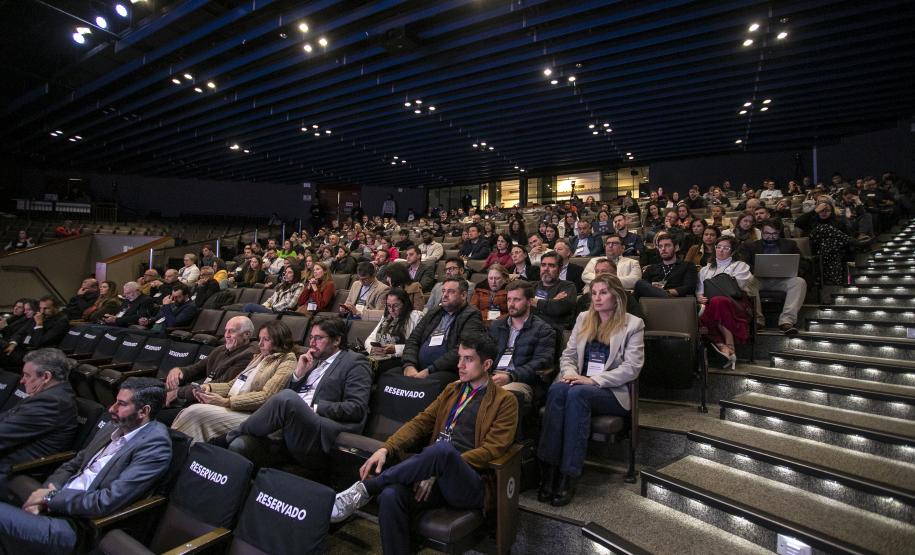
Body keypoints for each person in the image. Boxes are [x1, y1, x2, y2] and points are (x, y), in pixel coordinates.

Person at [331, 334, 518, 555]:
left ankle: (365, 489)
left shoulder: (505, 401)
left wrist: (439, 467)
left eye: (468, 359)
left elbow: (493, 449)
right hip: (434, 471)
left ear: (486, 365)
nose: (459, 365)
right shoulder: (453, 389)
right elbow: (421, 422)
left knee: (442, 450)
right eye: (459, 358)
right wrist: (386, 447)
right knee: (391, 496)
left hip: (469, 481)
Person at [0, 378, 171, 553]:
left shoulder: (155, 446)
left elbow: (106, 501)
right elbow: (74, 464)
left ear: (144, 411)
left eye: (121, 404)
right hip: (56, 505)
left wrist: (50, 498)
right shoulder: (113, 426)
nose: (111, 409)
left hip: (79, 525)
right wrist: (48, 492)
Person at [537, 275, 644, 506]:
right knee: (557, 390)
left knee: (577, 394)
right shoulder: (584, 318)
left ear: (616, 296)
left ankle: (569, 475)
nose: (597, 298)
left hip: (611, 391)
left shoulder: (633, 324)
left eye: (603, 292)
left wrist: (592, 381)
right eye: (594, 293)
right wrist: (570, 374)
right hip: (578, 382)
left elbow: (632, 368)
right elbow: (568, 355)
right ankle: (549, 470)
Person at [226, 315, 372, 468]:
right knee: (241, 444)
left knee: (287, 397)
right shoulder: (312, 360)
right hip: (290, 422)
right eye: (311, 337)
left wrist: (314, 408)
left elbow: (356, 408)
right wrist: (298, 374)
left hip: (319, 429)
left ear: (336, 340)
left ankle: (229, 436)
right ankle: (239, 439)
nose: (312, 343)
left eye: (318, 338)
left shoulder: (355, 362)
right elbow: (285, 399)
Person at [171, 321, 297, 442]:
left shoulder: (288, 360)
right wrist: (208, 387)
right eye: (260, 339)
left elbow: (267, 396)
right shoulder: (259, 357)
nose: (260, 344)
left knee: (194, 412)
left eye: (266, 339)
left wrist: (226, 402)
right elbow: (232, 385)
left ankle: (178, 449)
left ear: (279, 340)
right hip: (235, 407)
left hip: (254, 415)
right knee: (189, 412)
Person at [0, 349, 77, 487]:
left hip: (14, 471)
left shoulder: (52, 402)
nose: (22, 380)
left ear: (46, 377)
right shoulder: (50, 394)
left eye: (27, 375)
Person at [160, 316, 256, 424]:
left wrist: (178, 392)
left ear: (247, 334)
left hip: (209, 404)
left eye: (232, 331)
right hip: (193, 395)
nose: (226, 335)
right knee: (151, 393)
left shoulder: (249, 355)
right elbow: (197, 368)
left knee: (157, 416)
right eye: (226, 330)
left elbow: (220, 384)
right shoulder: (220, 349)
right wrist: (179, 371)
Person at [401, 278, 486, 382]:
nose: (445, 295)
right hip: (418, 367)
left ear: (463, 295)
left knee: (428, 383)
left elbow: (462, 349)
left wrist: (430, 370)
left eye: (451, 292)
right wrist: (409, 365)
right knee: (390, 375)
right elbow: (413, 339)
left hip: (446, 370)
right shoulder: (434, 312)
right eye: (443, 291)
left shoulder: (472, 315)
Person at [487, 281, 556, 405]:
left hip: (521, 381)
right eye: (509, 300)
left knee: (499, 396)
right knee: (458, 388)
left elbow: (541, 362)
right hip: (493, 376)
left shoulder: (543, 330)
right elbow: (485, 353)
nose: (511, 304)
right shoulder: (497, 325)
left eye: (517, 300)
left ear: (529, 302)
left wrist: (511, 376)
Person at [738, 220, 807, 335]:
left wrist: (794, 270)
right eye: (767, 233)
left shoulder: (790, 245)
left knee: (799, 282)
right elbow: (744, 263)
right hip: (759, 279)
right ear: (762, 232)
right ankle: (757, 320)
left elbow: (803, 263)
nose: (770, 236)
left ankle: (786, 321)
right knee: (747, 281)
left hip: (783, 279)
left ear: (779, 232)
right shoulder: (751, 246)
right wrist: (756, 270)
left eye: (774, 233)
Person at [697, 236, 753, 368]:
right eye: (718, 247)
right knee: (704, 309)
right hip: (710, 304)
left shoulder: (740, 266)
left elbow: (741, 288)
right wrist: (699, 297)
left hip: (735, 304)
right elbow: (700, 291)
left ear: (732, 251)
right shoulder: (705, 269)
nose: (721, 250)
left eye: (726, 248)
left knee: (719, 301)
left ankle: (729, 345)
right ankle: (725, 349)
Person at [1, 296, 70, 370]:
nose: (42, 311)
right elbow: (20, 332)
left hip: (36, 353)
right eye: (40, 308)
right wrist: (13, 343)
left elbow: (40, 342)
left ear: (56, 308)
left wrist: (39, 325)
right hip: (20, 347)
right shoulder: (38, 316)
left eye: (46, 308)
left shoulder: (61, 321)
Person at [365, 288, 424, 362]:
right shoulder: (387, 317)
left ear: (405, 304)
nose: (391, 310)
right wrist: (372, 349)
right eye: (389, 306)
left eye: (395, 306)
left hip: (402, 360)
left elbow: (419, 345)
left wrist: (396, 349)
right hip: (380, 358)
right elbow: (369, 339)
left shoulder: (416, 316)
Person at [633, 234, 699, 299]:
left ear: (676, 248)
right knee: (639, 284)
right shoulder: (651, 269)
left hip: (677, 301)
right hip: (652, 302)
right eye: (660, 246)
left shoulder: (687, 266)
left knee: (639, 284)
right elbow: (644, 288)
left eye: (667, 245)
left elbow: (689, 288)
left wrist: (665, 292)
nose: (663, 249)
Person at [531, 251, 578, 331]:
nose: (546, 269)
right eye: (543, 265)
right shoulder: (532, 286)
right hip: (530, 329)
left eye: (551, 265)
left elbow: (558, 308)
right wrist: (552, 301)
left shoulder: (568, 286)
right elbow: (521, 306)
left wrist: (534, 302)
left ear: (560, 269)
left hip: (554, 331)